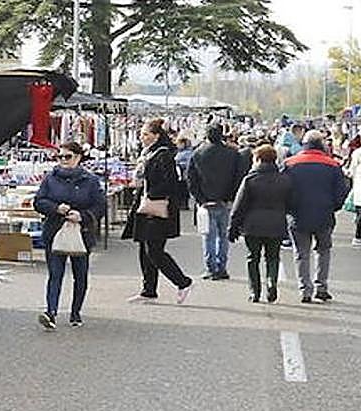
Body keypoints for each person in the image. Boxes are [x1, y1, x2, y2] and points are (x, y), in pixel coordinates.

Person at [33, 141, 107, 329]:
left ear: (78, 157)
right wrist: (56, 208)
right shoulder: (50, 178)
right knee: (55, 274)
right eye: (60, 157)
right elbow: (39, 201)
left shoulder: (90, 180)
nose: (63, 160)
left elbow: (100, 206)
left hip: (81, 234)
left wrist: (82, 216)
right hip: (55, 231)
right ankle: (51, 312)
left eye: (68, 156)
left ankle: (75, 312)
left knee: (80, 275)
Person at [123, 118, 194, 304]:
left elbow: (170, 184)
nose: (142, 137)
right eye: (141, 134)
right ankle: (148, 290)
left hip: (158, 208)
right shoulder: (148, 153)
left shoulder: (163, 155)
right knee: (144, 249)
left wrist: (150, 191)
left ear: (156, 136)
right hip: (146, 207)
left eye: (146, 134)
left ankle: (183, 282)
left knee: (154, 250)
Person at [284, 130, 350, 303]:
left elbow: (283, 190)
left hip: (298, 216)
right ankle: (321, 287)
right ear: (322, 145)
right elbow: (341, 192)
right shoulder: (333, 165)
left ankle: (305, 289)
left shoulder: (290, 163)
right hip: (324, 215)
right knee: (323, 251)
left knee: (301, 253)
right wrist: (333, 207)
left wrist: (289, 209)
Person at [229, 144, 292, 303]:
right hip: (276, 224)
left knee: (252, 258)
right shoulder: (284, 179)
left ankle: (254, 291)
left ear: (257, 159)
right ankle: (271, 283)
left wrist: (233, 227)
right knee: (272, 257)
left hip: (252, 225)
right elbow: (291, 203)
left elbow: (239, 205)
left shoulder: (250, 180)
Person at [187, 124, 244, 280]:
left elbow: (191, 180)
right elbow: (238, 178)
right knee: (223, 236)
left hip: (206, 202)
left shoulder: (197, 153)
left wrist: (200, 199)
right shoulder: (233, 154)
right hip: (225, 202)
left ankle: (211, 268)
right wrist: (231, 197)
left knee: (208, 236)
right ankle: (222, 267)